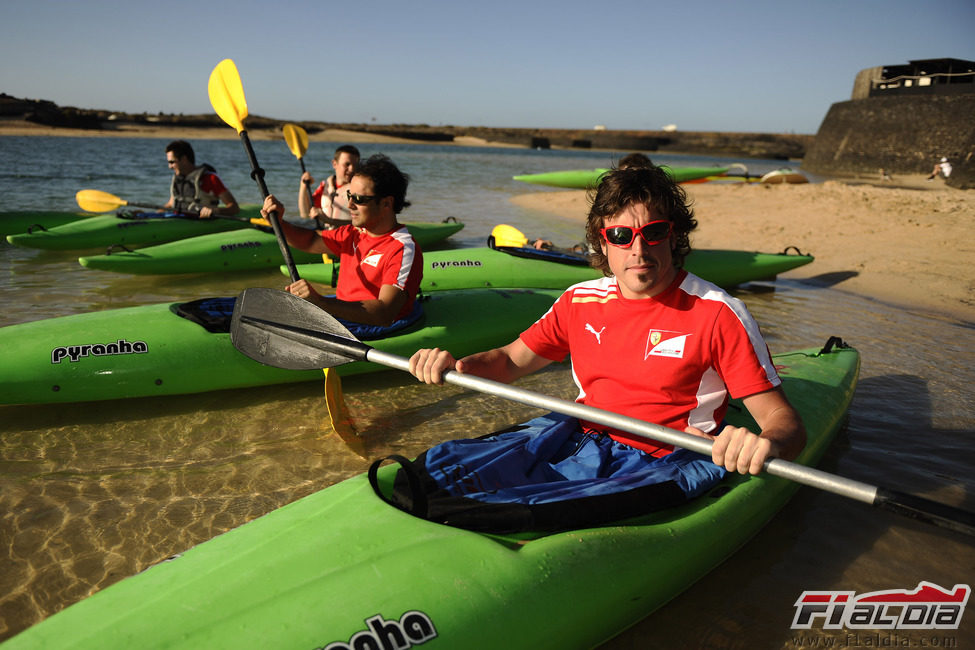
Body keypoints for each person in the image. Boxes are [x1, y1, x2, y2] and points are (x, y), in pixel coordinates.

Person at [404, 164, 806, 530]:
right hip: (577, 433)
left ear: (675, 235)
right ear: (603, 241)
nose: (638, 249)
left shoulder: (718, 313)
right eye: (620, 235)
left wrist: (764, 443)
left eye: (654, 232)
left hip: (666, 455)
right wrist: (454, 366)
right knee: (437, 470)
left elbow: (783, 421)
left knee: (513, 514)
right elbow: (510, 361)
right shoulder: (579, 299)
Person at [261, 154, 423, 333]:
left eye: (359, 199)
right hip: (343, 318)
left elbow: (384, 313)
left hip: (375, 328)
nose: (350, 204)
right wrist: (279, 222)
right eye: (349, 195)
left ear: (386, 203)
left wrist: (321, 302)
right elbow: (310, 241)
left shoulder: (402, 249)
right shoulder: (353, 234)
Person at [163, 140, 239, 218]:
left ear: (184, 159)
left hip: (200, 220)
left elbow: (234, 208)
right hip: (178, 218)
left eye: (172, 162)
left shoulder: (210, 178)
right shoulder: (178, 179)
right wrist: (155, 214)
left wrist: (215, 211)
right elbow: (170, 204)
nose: (170, 167)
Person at [299, 145, 361, 229]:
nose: (352, 169)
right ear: (334, 164)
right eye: (347, 164)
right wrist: (303, 187)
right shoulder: (325, 186)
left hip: (350, 238)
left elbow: (362, 223)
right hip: (328, 236)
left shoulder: (359, 190)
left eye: (355, 165)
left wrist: (329, 221)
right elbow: (305, 213)